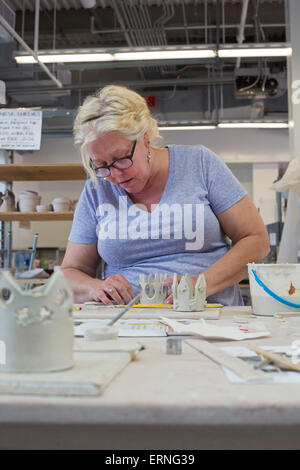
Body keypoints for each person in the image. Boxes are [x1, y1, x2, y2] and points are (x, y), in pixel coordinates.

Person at [61, 85, 269, 306]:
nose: (114, 174)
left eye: (121, 158)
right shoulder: (97, 188)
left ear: (145, 138)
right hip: (126, 320)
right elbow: (70, 272)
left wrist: (201, 284)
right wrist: (95, 288)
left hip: (207, 315)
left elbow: (256, 240)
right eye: (101, 165)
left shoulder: (199, 163)